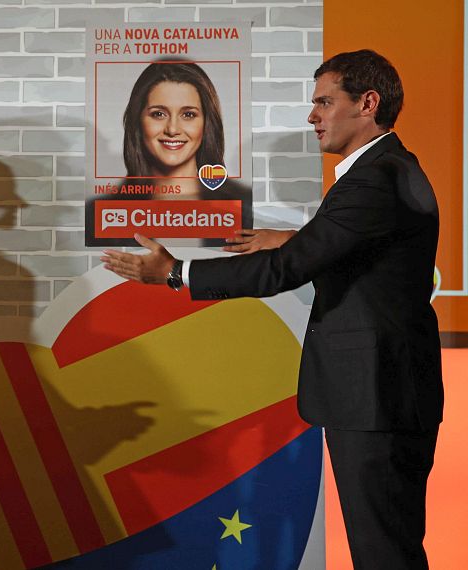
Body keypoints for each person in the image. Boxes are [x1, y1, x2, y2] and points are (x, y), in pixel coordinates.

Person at [101, 49, 442, 569]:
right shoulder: (390, 168)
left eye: (325, 102)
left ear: (367, 103)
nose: (313, 116)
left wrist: (174, 273)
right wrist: (292, 237)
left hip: (374, 398)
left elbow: (284, 270)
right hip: (388, 393)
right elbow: (367, 251)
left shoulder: (374, 177)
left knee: (382, 552)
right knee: (389, 544)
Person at [87, 60, 252, 245]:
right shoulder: (98, 214)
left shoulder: (244, 207)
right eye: (159, 114)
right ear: (138, 122)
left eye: (188, 114)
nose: (172, 129)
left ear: (207, 124)